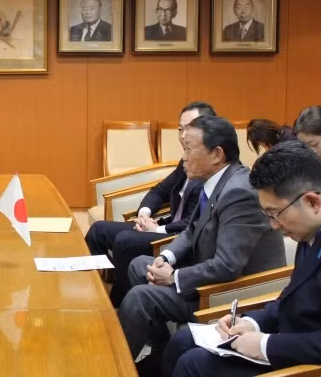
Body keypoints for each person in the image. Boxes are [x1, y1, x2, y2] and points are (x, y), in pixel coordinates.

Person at [163, 141, 321, 377]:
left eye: (275, 214)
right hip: (291, 340)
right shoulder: (313, 226)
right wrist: (252, 323)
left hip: (313, 364)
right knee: (184, 339)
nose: (273, 225)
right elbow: (292, 298)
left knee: (193, 364)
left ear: (312, 202)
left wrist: (264, 345)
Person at [118, 115, 285, 370]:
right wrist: (165, 258)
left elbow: (227, 266)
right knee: (140, 265)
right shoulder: (216, 182)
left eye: (188, 149)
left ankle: (114, 367)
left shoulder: (239, 192)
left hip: (230, 291)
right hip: (207, 276)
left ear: (216, 154)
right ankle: (159, 357)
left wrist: (174, 277)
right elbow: (191, 230)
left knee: (140, 298)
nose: (183, 158)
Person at [86, 102, 214, 307]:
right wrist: (144, 215)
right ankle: (96, 288)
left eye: (190, 129)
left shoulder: (211, 168)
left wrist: (158, 229)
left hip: (177, 236)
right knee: (98, 230)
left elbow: (194, 223)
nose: (183, 136)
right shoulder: (185, 160)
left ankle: (116, 304)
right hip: (162, 225)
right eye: (180, 129)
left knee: (124, 241)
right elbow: (159, 190)